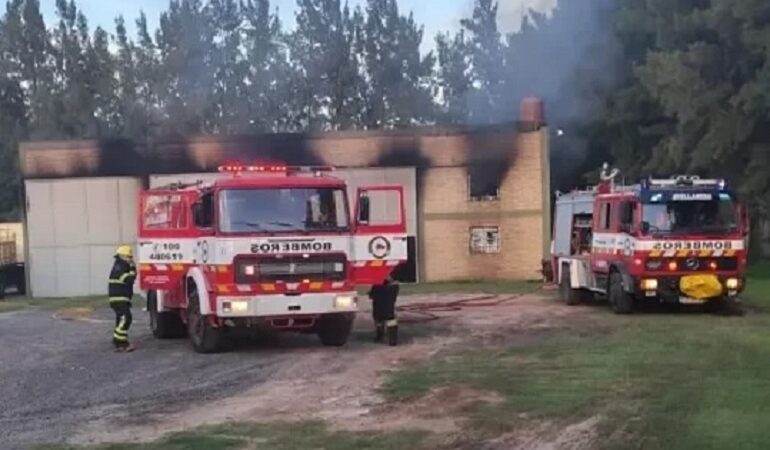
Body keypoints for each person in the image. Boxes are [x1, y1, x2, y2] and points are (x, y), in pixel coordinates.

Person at [109, 245, 137, 352]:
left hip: (119, 298)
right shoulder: (120, 266)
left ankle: (120, 340)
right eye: (129, 257)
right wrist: (133, 269)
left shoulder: (120, 265)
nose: (130, 260)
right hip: (119, 298)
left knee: (120, 319)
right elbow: (129, 279)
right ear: (123, 256)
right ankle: (119, 342)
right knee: (126, 318)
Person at [368, 274, 400, 346]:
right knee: (390, 321)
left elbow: (372, 295)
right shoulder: (393, 286)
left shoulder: (377, 286)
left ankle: (380, 336)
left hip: (378, 309)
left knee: (379, 321)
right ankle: (392, 340)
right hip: (389, 309)